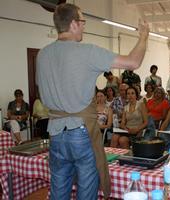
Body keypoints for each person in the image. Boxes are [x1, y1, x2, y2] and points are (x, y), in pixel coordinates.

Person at [36, 3, 149, 199]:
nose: (84, 26)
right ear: (73, 24)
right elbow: (133, 62)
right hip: (81, 131)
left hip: (54, 131)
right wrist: (143, 37)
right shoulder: (86, 52)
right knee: (87, 187)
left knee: (59, 188)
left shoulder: (42, 54)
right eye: (82, 22)